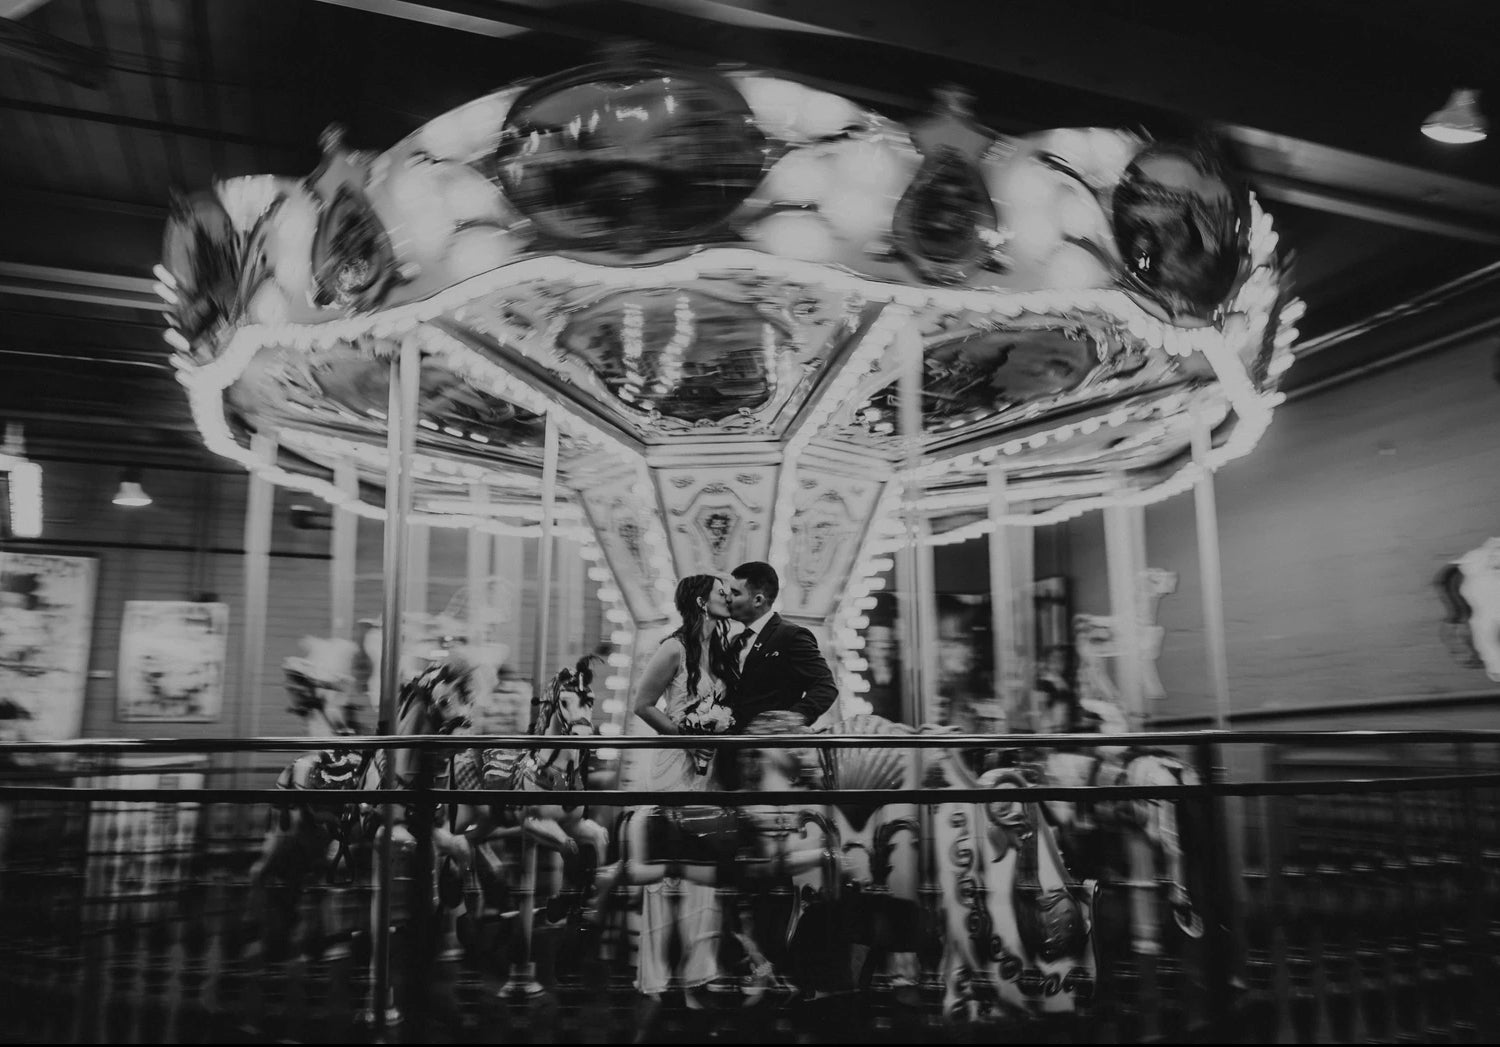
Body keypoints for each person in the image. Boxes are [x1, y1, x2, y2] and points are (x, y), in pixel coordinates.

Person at [625, 574, 737, 1021]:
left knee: (702, 871)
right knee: (668, 871)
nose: (727, 596)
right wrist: (685, 736)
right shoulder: (673, 649)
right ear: (699, 600)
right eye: (720, 591)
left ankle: (698, 977)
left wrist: (716, 730)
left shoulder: (720, 650)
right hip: (676, 765)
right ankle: (658, 976)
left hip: (708, 770)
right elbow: (643, 704)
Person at [722, 561, 838, 732]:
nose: (728, 598)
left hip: (767, 748)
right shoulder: (735, 642)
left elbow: (825, 686)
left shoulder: (791, 636)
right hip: (728, 745)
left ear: (758, 600)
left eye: (735, 593)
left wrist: (787, 722)